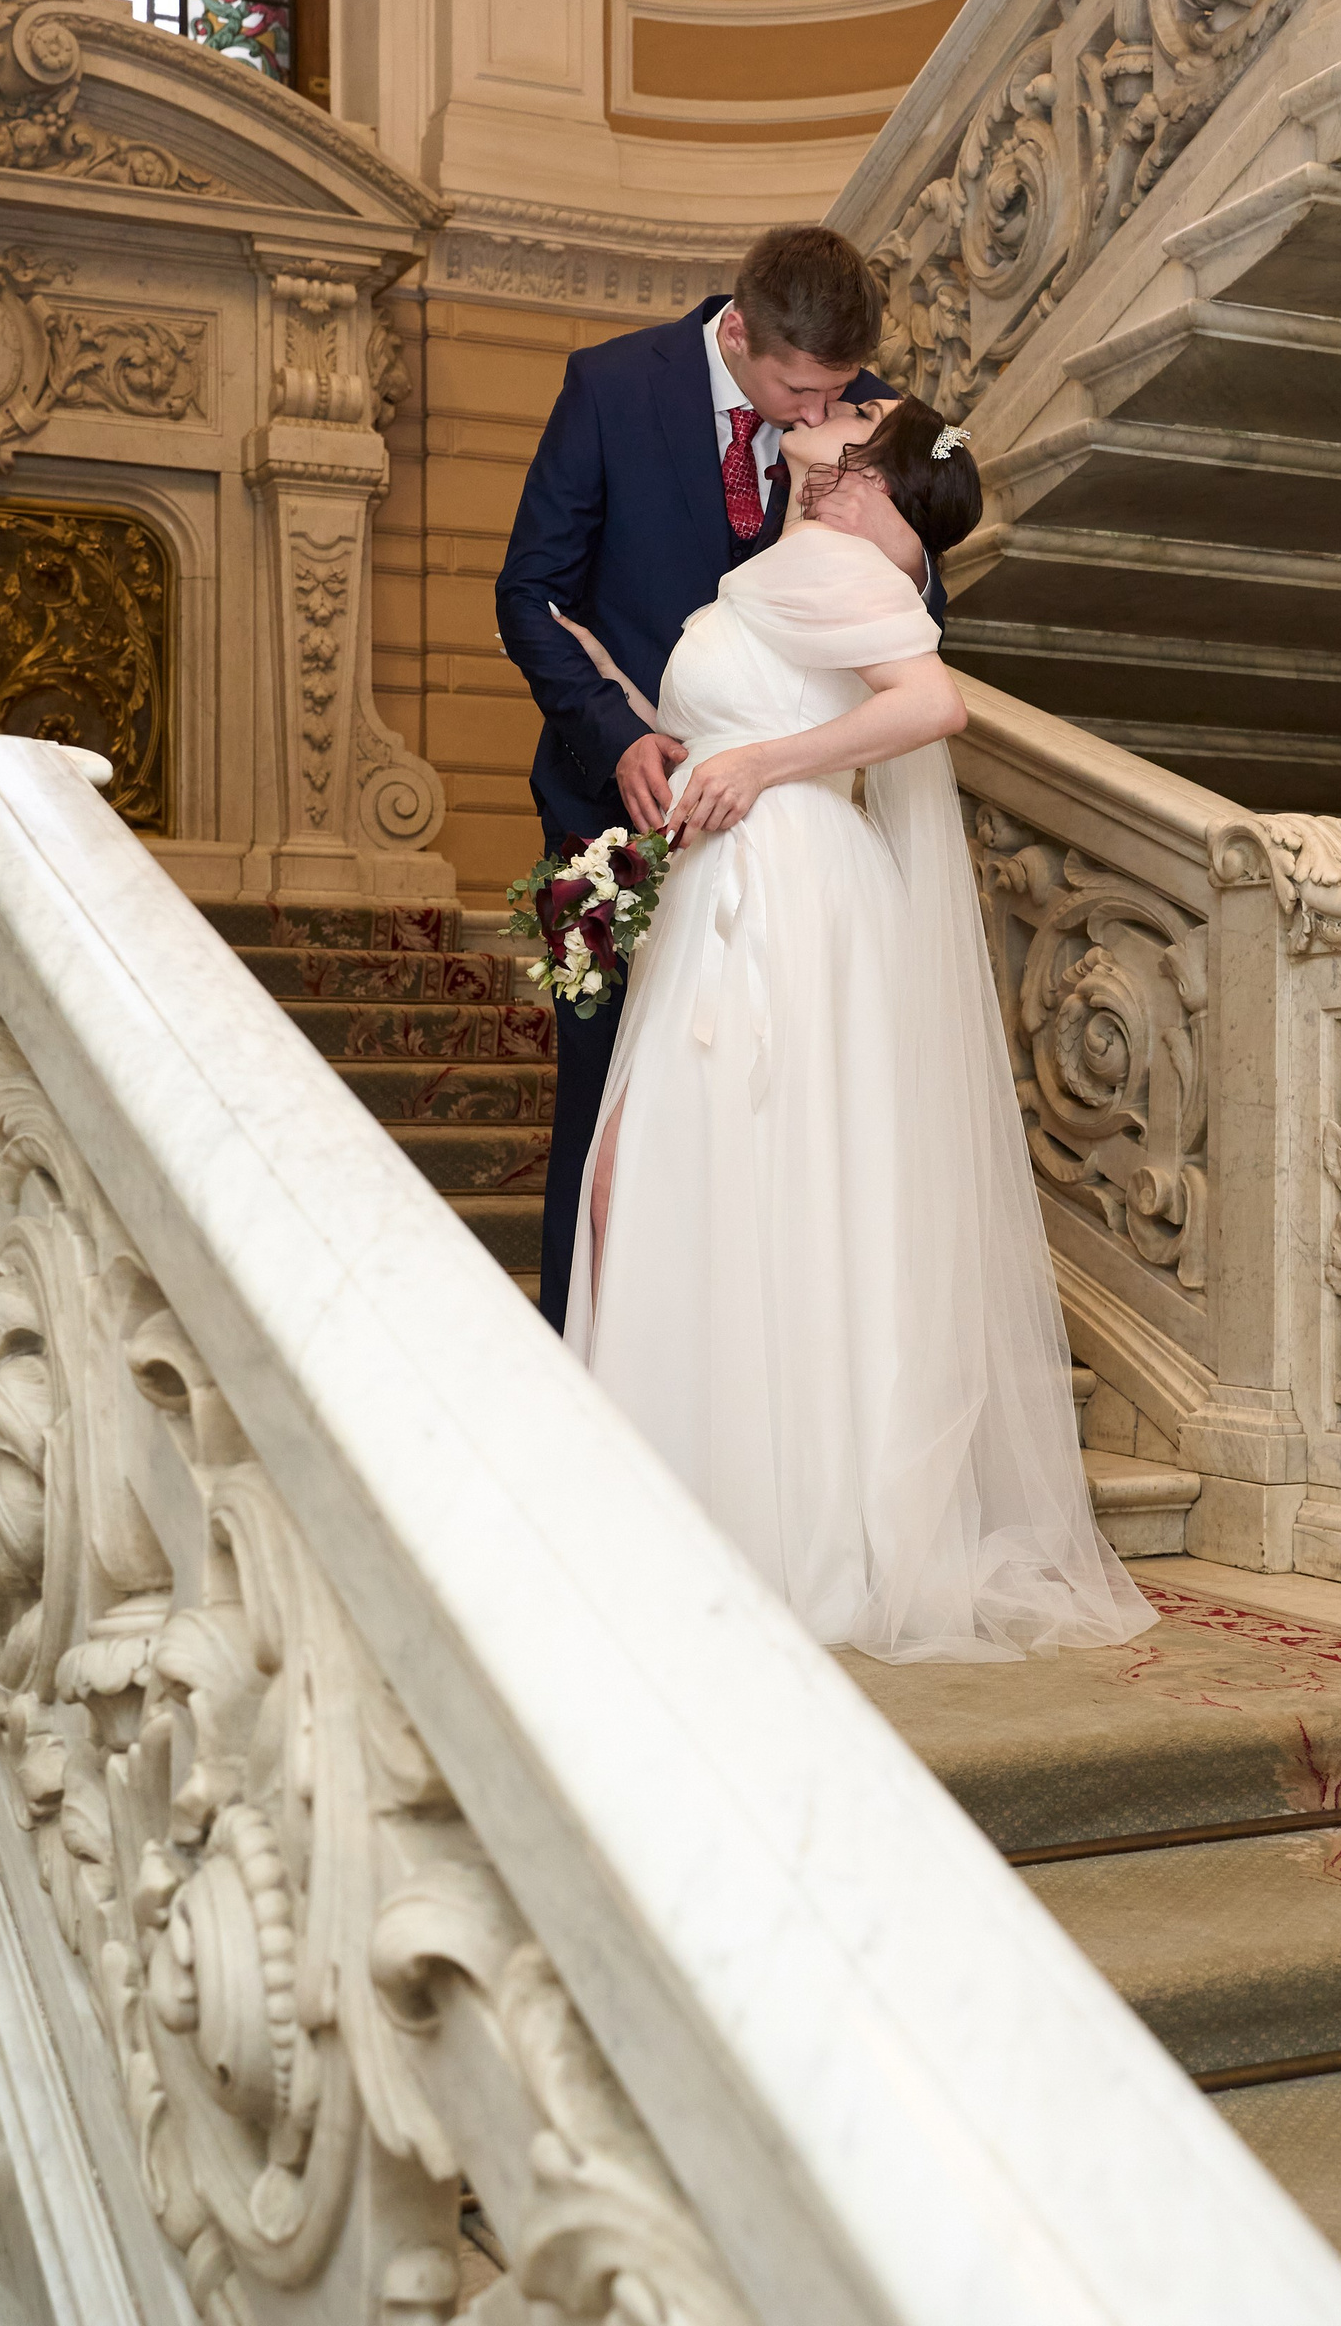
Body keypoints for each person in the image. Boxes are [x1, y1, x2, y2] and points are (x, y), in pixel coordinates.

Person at [560, 396, 1154, 1664]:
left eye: (859, 412)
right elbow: (782, 705)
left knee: (705, 1183)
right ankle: (730, 1513)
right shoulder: (804, 559)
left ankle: (759, 1532)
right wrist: (665, 729)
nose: (830, 408)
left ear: (875, 474)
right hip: (741, 885)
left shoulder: (842, 562)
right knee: (705, 1189)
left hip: (781, 897)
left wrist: (761, 764)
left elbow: (930, 706)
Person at [496, 225, 940, 1331]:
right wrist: (618, 736)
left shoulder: (861, 418)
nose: (819, 410)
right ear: (738, 333)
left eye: (836, 389)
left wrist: (905, 547)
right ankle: (581, 1371)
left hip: (781, 853)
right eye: (799, 390)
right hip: (609, 821)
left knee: (767, 1131)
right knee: (604, 1120)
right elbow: (528, 594)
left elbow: (917, 612)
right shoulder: (610, 387)